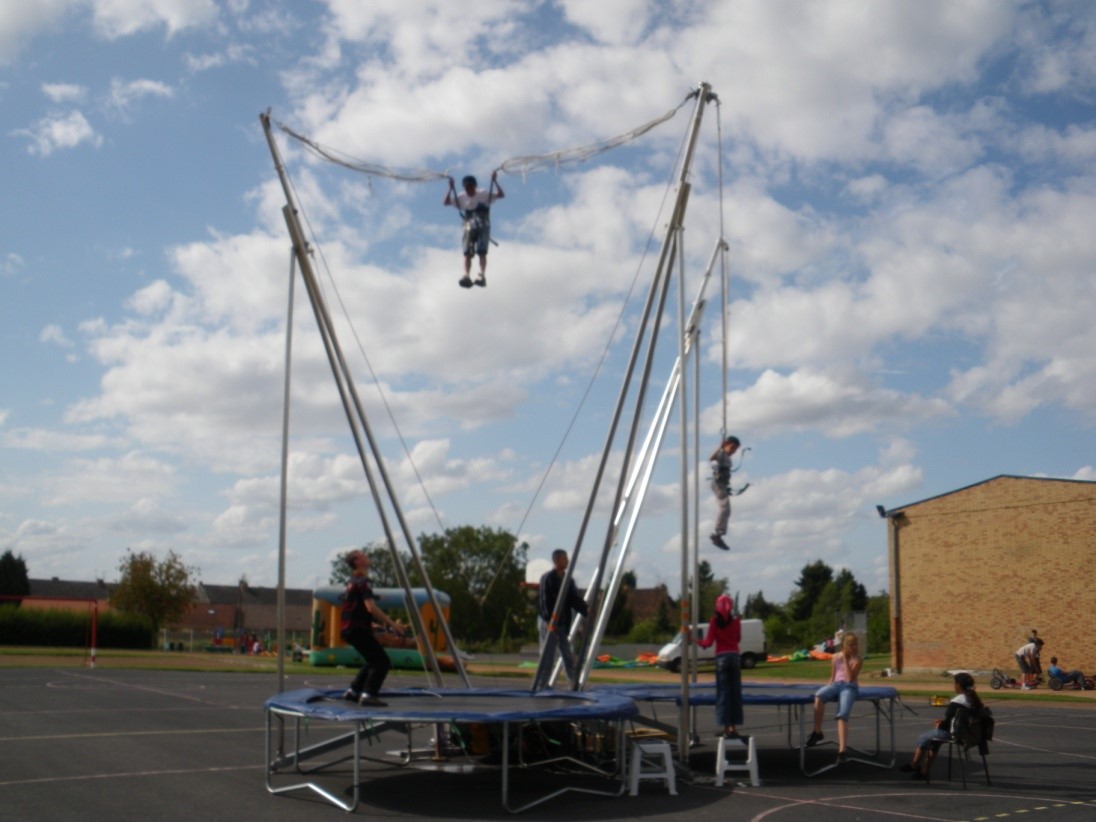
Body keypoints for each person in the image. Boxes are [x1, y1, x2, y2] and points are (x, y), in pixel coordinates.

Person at [340, 549, 404, 706]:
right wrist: (393, 624)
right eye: (362, 555)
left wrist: (372, 625)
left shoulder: (353, 581)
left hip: (352, 629)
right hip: (356, 629)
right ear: (357, 562)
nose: (367, 556)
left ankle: (354, 691)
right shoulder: (362, 582)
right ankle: (368, 695)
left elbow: (356, 608)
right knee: (382, 661)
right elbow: (371, 608)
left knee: (372, 660)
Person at [899, 671, 984, 779]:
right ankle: (924, 772)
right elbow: (957, 719)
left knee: (923, 737)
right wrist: (943, 723)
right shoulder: (973, 700)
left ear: (958, 685)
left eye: (955, 683)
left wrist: (939, 725)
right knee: (935, 742)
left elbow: (948, 722)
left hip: (956, 734)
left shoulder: (957, 701)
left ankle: (914, 765)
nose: (954, 686)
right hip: (969, 734)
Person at [807, 633, 862, 759]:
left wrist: (847, 661)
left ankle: (842, 751)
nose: (854, 647)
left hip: (849, 687)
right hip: (836, 684)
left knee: (842, 714)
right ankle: (817, 732)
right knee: (819, 696)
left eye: (855, 645)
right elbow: (832, 677)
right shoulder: (835, 657)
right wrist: (827, 687)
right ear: (845, 645)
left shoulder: (857, 659)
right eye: (851, 645)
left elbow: (849, 679)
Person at [444, 172, 504, 288]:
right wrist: (450, 188)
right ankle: (466, 275)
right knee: (467, 253)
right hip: (469, 225)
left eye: (471, 187)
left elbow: (500, 195)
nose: (469, 190)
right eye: (467, 187)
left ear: (475, 186)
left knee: (482, 252)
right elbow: (446, 202)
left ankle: (481, 275)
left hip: (483, 224)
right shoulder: (461, 197)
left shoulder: (483, 194)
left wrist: (495, 181)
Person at [697, 594, 745, 738]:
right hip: (734, 656)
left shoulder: (714, 622)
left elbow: (708, 642)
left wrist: (695, 640)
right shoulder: (736, 622)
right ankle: (733, 727)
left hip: (722, 657)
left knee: (723, 693)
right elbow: (737, 639)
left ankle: (726, 726)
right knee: (735, 693)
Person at [537, 549, 588, 683]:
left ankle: (573, 683)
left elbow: (574, 599)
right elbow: (544, 600)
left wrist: (586, 610)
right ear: (558, 560)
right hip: (549, 621)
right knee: (548, 656)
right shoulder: (548, 578)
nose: (567, 561)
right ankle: (541, 684)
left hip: (562, 623)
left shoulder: (568, 580)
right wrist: (549, 619)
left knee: (567, 655)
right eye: (564, 558)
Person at [708, 435, 740, 550]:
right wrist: (720, 447)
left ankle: (719, 534)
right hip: (718, 484)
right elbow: (712, 458)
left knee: (727, 510)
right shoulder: (721, 453)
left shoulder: (726, 457)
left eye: (735, 450)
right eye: (732, 448)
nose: (733, 452)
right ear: (726, 445)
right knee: (724, 507)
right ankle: (717, 534)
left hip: (722, 485)